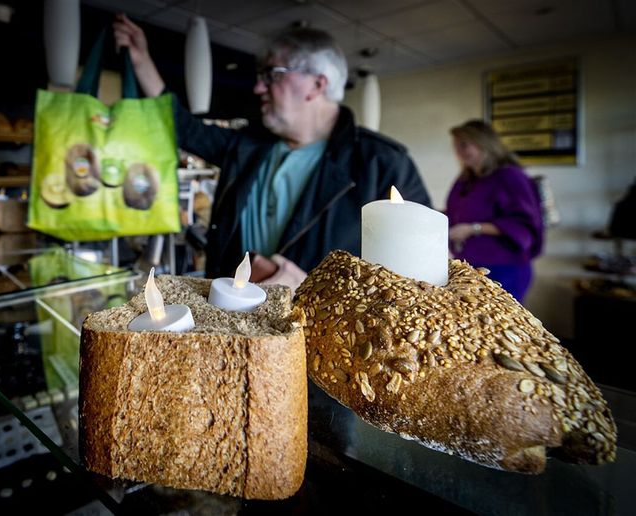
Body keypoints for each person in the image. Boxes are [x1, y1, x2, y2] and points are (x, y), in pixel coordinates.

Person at [112, 14, 431, 289]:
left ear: (317, 85)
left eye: (271, 75)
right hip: (234, 327)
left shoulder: (382, 163)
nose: (258, 88)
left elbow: (420, 280)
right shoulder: (248, 145)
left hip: (316, 344)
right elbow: (185, 128)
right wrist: (141, 60)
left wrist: (309, 289)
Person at [446, 120, 544, 302]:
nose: (458, 151)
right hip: (469, 265)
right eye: (456, 146)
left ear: (483, 144)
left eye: (464, 145)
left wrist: (472, 228)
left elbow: (523, 225)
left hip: (503, 267)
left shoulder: (509, 177)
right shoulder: (467, 178)